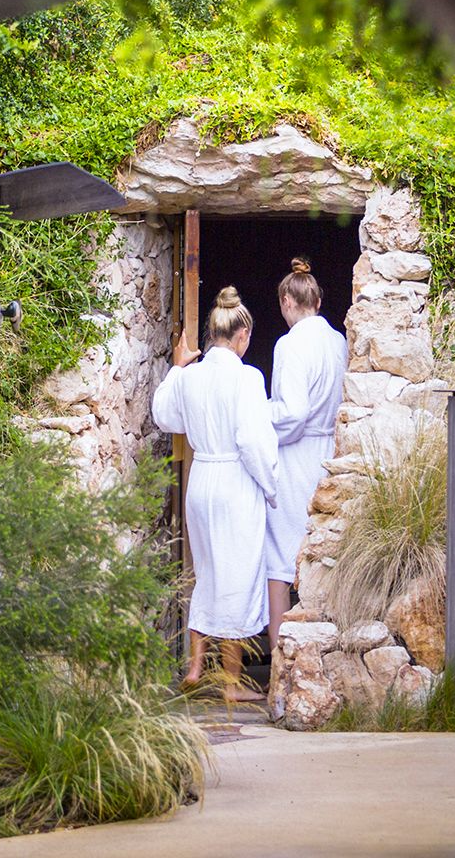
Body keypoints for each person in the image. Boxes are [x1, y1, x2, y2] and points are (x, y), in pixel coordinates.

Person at [152, 285, 279, 700]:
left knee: (206, 574)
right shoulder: (247, 377)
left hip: (201, 480)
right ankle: (231, 684)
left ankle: (193, 668)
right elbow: (253, 442)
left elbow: (166, 416)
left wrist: (176, 368)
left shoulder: (191, 377)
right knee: (237, 578)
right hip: (234, 483)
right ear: (242, 336)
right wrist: (271, 487)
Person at [266, 257, 348, 647]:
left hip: (297, 454)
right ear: (317, 300)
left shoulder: (290, 343)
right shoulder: (338, 341)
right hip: (330, 453)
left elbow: (293, 412)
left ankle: (283, 660)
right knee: (323, 555)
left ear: (286, 301)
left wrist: (258, 414)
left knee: (281, 559)